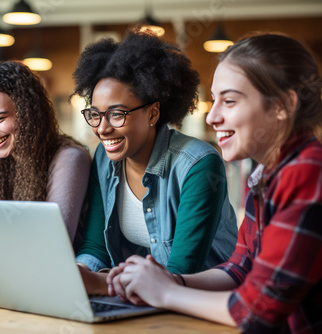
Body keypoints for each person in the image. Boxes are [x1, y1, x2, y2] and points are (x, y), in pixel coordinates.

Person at [107, 33, 322, 334]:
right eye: (214, 99)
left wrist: (166, 293)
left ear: (282, 105)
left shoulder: (307, 173)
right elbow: (240, 267)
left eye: (230, 101)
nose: (212, 117)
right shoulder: (266, 176)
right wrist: (169, 281)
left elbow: (255, 310)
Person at [72, 28, 238, 295]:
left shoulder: (199, 165)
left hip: (204, 302)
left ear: (152, 113)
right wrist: (77, 273)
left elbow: (183, 271)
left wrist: (100, 284)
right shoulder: (103, 158)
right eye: (95, 114)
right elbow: (95, 248)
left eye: (116, 114)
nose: (102, 129)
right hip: (137, 298)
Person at [0, 61, 91, 281]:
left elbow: (53, 243)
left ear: (29, 113)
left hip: (53, 282)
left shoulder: (69, 158)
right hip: (1, 280)